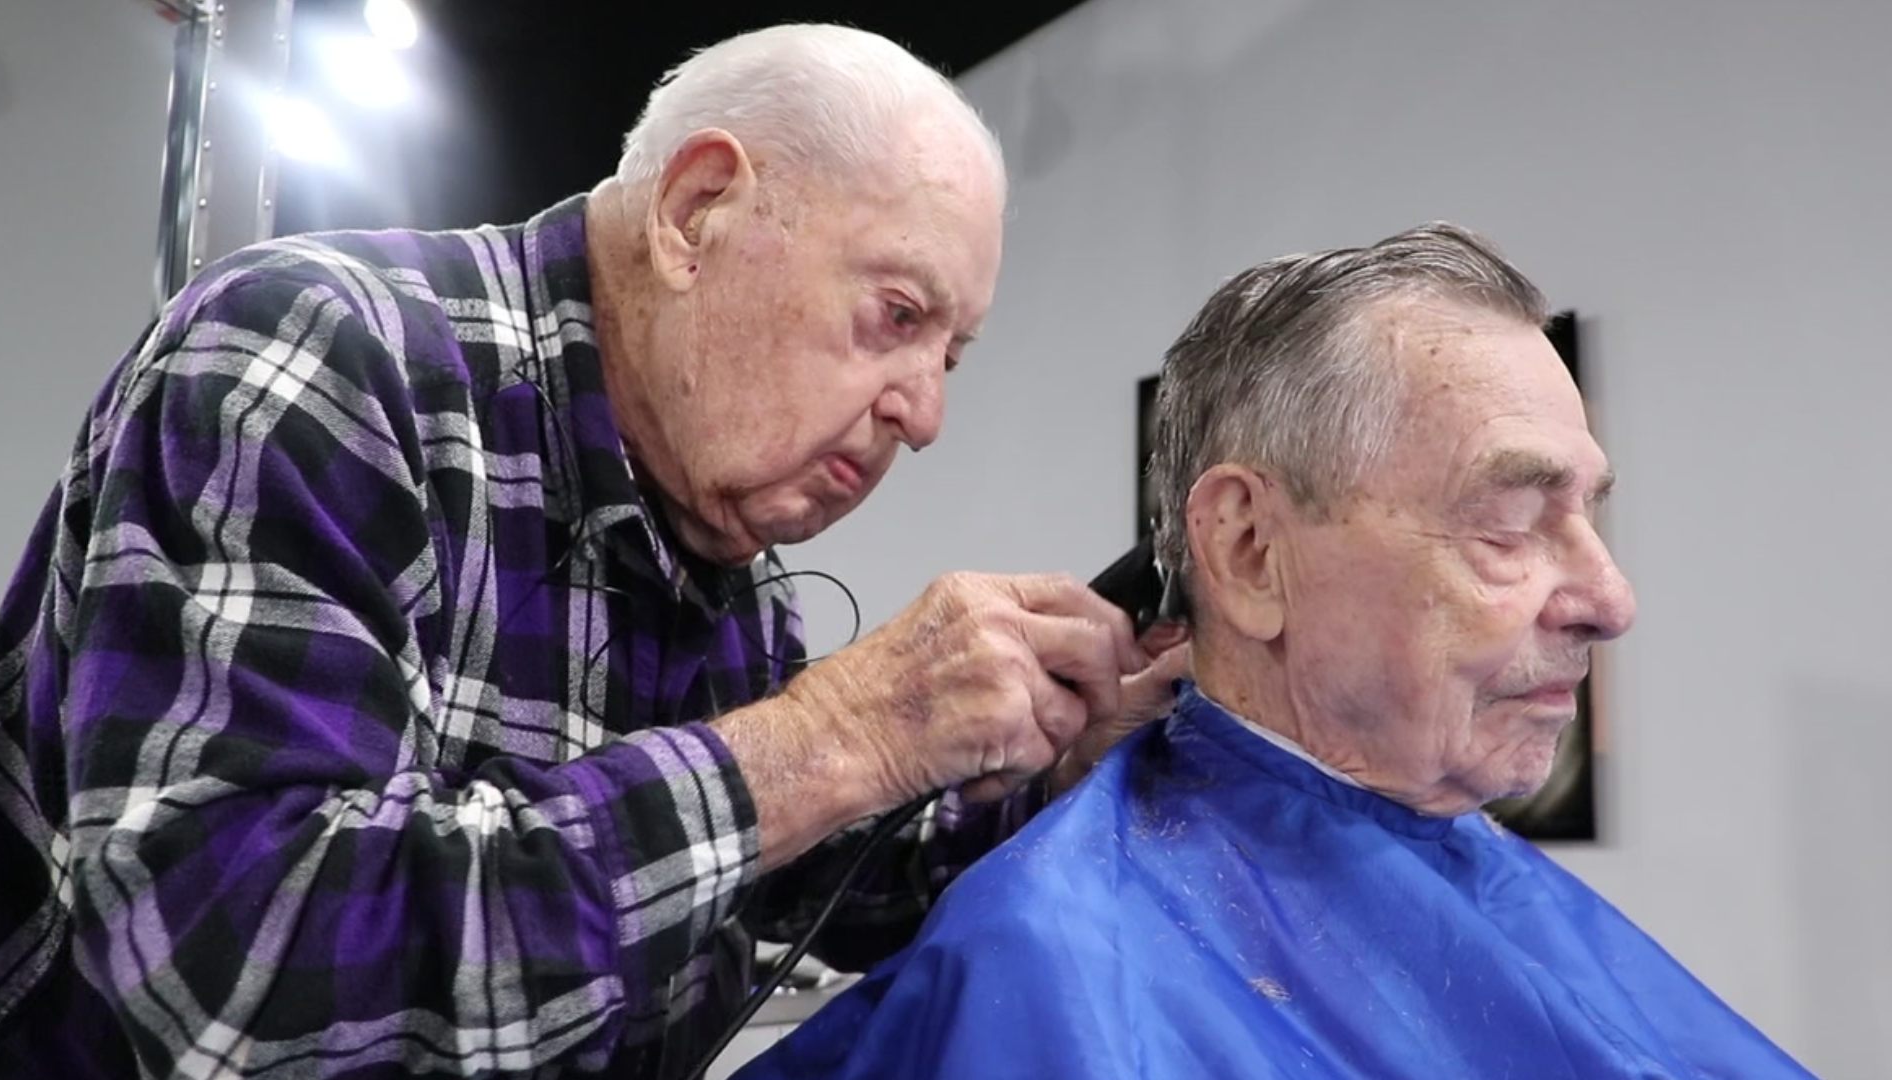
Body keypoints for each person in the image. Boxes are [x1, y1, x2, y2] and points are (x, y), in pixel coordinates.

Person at [0, 24, 1188, 1079]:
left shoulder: (725, 568)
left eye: (950, 357)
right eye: (900, 317)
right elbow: (242, 978)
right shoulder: (315, 357)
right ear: (697, 209)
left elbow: (801, 886)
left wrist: (1035, 778)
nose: (924, 415)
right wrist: (838, 736)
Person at [735, 225, 1821, 1080]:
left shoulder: (1492, 895)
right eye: (1508, 523)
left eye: (1590, 519)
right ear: (1248, 551)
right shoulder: (1056, 959)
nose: (1610, 600)